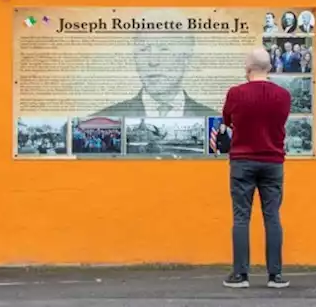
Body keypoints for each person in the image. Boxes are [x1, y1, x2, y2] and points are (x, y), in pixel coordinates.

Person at [220, 47, 292, 289]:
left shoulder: (236, 94)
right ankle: (276, 276)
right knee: (272, 217)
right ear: (269, 68)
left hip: (242, 161)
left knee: (241, 217)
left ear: (247, 68)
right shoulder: (283, 95)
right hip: (273, 162)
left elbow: (227, 120)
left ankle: (240, 275)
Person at [94, 34, 217, 117]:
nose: (153, 61)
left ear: (186, 57)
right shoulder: (102, 121)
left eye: (164, 49)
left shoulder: (218, 122)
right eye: (143, 49)